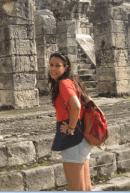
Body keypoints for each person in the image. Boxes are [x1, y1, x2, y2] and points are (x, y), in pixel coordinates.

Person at [49, 51, 93, 191]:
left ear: (66, 67)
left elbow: (76, 106)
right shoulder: (72, 81)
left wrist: (70, 129)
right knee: (85, 188)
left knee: (77, 189)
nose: (53, 69)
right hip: (81, 141)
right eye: (51, 65)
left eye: (58, 65)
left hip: (74, 141)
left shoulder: (64, 84)